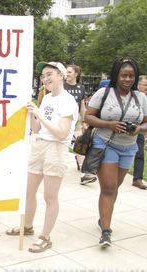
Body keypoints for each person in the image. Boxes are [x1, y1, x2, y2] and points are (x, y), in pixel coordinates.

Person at [6, 62, 78, 253]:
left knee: (50, 197)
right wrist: (31, 115)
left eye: (49, 75)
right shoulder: (46, 99)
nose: (45, 79)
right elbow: (37, 129)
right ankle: (27, 226)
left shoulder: (68, 100)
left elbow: (62, 133)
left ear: (61, 75)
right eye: (43, 76)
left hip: (57, 149)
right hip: (40, 145)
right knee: (29, 191)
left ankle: (45, 237)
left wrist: (39, 114)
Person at [84, 57, 147, 248]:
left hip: (129, 148)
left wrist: (138, 129)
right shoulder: (104, 93)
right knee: (109, 188)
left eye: (131, 76)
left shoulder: (141, 97)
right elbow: (87, 116)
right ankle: (106, 231)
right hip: (106, 144)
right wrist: (109, 124)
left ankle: (104, 217)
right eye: (123, 75)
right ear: (116, 75)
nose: (127, 79)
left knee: (115, 187)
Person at [64, 64, 95, 183]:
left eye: (70, 72)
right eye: (66, 72)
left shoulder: (81, 88)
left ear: (76, 74)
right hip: (62, 119)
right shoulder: (62, 86)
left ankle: (83, 173)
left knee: (81, 143)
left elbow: (82, 106)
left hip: (75, 120)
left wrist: (84, 121)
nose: (67, 74)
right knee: (62, 144)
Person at [132, 75, 147, 189]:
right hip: (124, 129)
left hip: (140, 129)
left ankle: (137, 179)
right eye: (145, 85)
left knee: (140, 154)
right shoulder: (131, 95)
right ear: (138, 84)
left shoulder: (144, 98)